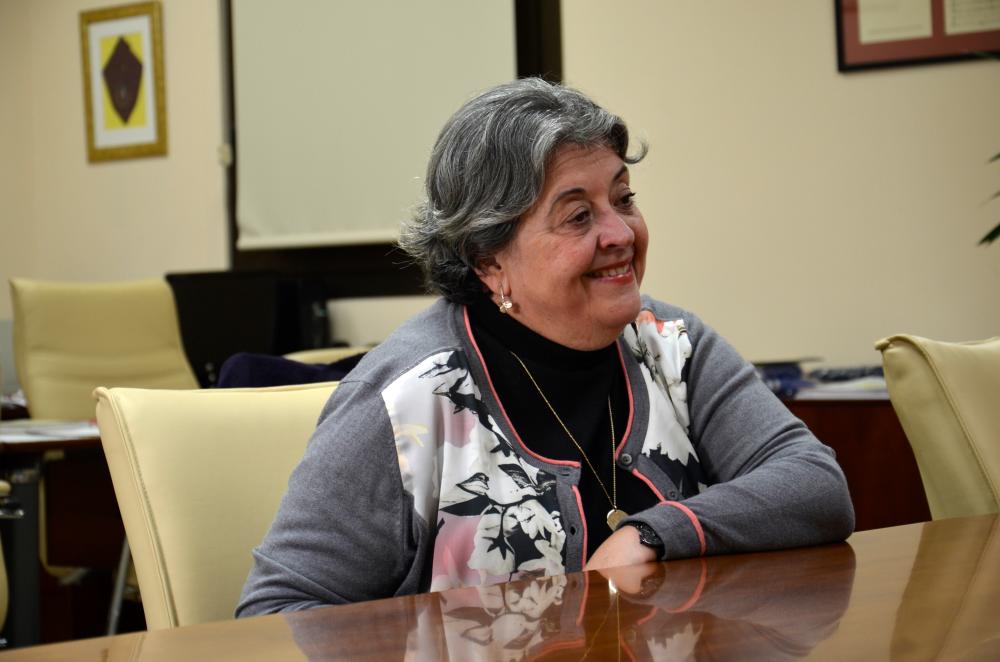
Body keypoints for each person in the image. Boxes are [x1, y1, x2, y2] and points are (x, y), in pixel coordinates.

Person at [236, 78, 854, 615]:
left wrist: (655, 533)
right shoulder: (404, 402)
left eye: (623, 198)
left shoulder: (671, 344)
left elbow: (814, 484)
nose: (619, 233)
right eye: (578, 216)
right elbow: (278, 614)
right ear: (488, 259)